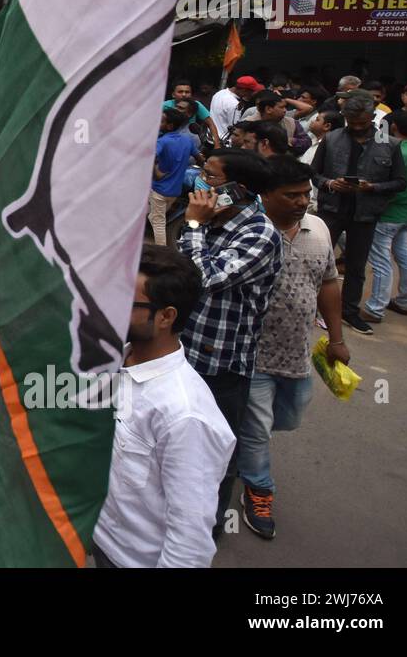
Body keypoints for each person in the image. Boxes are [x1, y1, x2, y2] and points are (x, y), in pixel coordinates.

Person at [91, 245, 235, 568]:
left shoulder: (186, 415)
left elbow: (189, 543)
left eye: (128, 301)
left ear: (165, 317)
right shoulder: (114, 360)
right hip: (101, 541)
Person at [236, 156, 348, 540]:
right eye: (292, 195)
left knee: (288, 418)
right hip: (248, 354)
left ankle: (234, 447)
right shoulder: (243, 229)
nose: (302, 202)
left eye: (307, 194)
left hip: (297, 352)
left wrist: (336, 338)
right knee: (256, 429)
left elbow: (329, 283)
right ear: (264, 194)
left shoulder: (318, 228)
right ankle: (258, 489)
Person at [177, 148, 282, 536]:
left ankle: (202, 538)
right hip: (182, 354)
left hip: (220, 367)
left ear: (236, 190)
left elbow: (204, 279)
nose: (200, 182)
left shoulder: (259, 233)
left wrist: (191, 227)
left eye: (210, 177)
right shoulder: (210, 224)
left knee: (213, 461)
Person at [310, 90, 407, 335]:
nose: (356, 127)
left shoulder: (388, 142)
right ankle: (310, 307)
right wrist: (331, 184)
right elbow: (313, 173)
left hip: (365, 214)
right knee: (318, 261)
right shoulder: (332, 138)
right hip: (331, 210)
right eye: (352, 123)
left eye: (362, 123)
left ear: (372, 117)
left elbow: (400, 182)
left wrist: (372, 187)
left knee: (356, 265)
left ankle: (349, 311)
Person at [360, 111, 407, 324]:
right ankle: (404, 301)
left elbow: (391, 187)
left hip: (390, 213)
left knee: (381, 261)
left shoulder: (399, 151)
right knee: (405, 256)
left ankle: (375, 308)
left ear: (395, 127)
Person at [150, 107, 193, 246]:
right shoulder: (188, 140)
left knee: (158, 223)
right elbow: (199, 157)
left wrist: (156, 174)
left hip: (159, 190)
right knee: (154, 216)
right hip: (174, 191)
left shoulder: (163, 141)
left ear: (169, 125)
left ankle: (161, 251)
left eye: (161, 121)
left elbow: (150, 157)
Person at [245, 90, 309, 155]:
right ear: (268, 109)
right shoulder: (248, 123)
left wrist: (292, 141)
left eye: (285, 107)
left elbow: (307, 142)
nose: (285, 110)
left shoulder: (291, 122)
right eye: (281, 107)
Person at [163, 79, 221, 148]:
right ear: (173, 94)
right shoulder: (165, 106)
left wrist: (217, 145)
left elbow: (210, 124)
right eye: (180, 92)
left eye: (187, 92)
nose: (184, 95)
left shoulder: (196, 105)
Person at [209, 75, 261, 143]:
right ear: (244, 90)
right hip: (222, 141)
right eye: (251, 92)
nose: (252, 94)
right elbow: (236, 128)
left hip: (210, 136)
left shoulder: (220, 93)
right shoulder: (234, 104)